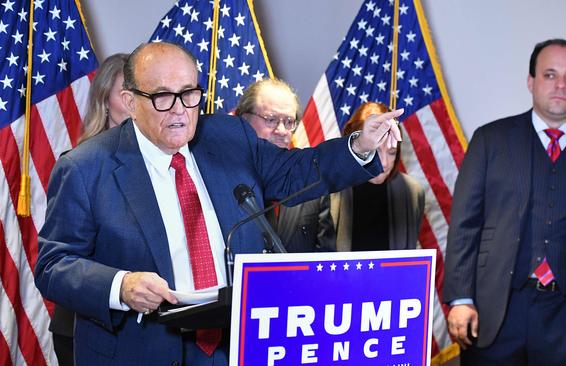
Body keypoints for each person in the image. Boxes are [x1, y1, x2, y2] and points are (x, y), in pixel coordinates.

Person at [34, 41, 403, 366]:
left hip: (234, 345)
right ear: (130, 102)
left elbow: (297, 172)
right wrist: (121, 285)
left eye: (190, 93)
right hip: (141, 349)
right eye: (163, 96)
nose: (180, 110)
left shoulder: (229, 137)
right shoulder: (85, 167)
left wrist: (360, 146)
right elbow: (54, 265)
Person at [443, 39, 566, 365]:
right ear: (531, 82)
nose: (561, 85)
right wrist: (461, 298)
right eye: (550, 74)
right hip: (495, 315)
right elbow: (465, 225)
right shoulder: (490, 141)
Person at [48, 52, 129, 366]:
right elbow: (61, 258)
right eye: (126, 93)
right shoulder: (79, 164)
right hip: (84, 326)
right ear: (105, 99)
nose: (136, 101)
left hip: (142, 331)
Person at [235, 78, 336, 253]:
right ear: (244, 120)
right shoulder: (220, 180)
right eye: (271, 119)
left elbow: (325, 262)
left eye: (289, 121)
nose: (282, 131)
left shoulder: (312, 185)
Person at [332, 102, 425, 251]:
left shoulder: (412, 192)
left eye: (392, 152)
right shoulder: (330, 190)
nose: (384, 163)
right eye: (374, 151)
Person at [79, 53, 130, 143]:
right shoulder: (83, 156)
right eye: (125, 95)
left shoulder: (159, 149)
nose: (135, 104)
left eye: (140, 94)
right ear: (104, 100)